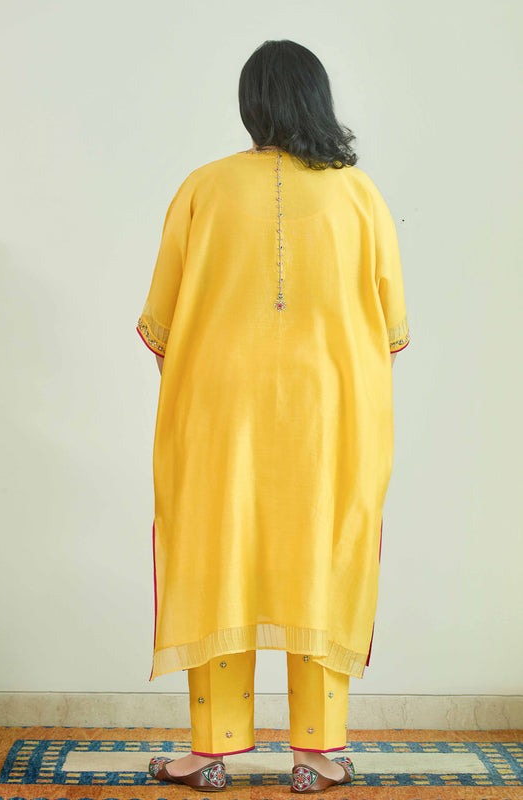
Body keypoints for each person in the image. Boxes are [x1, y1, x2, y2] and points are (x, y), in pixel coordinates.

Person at [137, 39, 410, 793]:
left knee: (218, 558)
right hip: (330, 416)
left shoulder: (203, 187)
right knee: (321, 558)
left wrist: (211, 386)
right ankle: (316, 756)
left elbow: (160, 326)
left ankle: (211, 752)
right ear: (316, 100)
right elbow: (392, 331)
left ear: (251, 104)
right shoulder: (359, 195)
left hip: (220, 413)